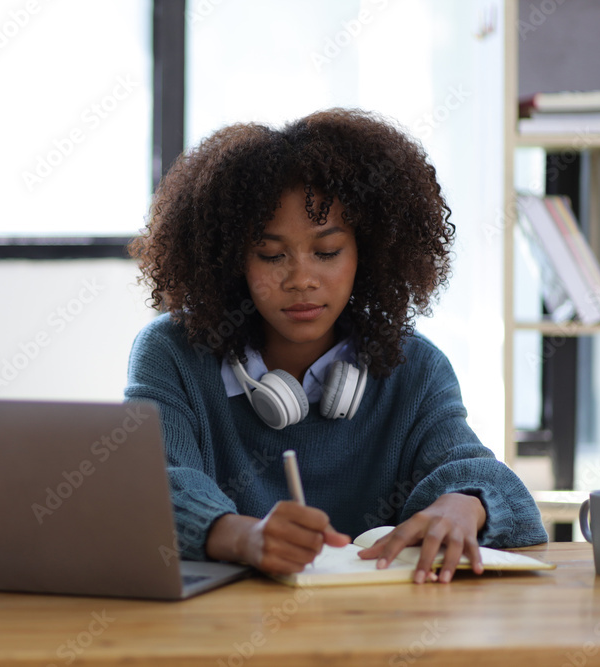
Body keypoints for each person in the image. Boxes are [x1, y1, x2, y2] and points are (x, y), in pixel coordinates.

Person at [124, 107, 547, 585]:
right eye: (270, 255)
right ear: (231, 260)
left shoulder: (416, 367)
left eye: (327, 252)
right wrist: (245, 536)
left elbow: (483, 478)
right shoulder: (172, 354)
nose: (301, 279)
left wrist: (465, 504)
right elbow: (151, 484)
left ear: (368, 252)